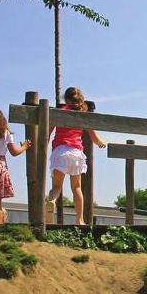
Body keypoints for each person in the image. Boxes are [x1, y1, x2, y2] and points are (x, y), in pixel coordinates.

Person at [47, 87, 105, 225]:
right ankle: (80, 219)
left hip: (60, 151)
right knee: (76, 187)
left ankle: (51, 202)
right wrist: (101, 143)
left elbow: (47, 133)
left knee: (56, 186)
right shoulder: (83, 115)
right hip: (76, 153)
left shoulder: (59, 113)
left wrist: (44, 144)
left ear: (65, 100)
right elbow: (94, 137)